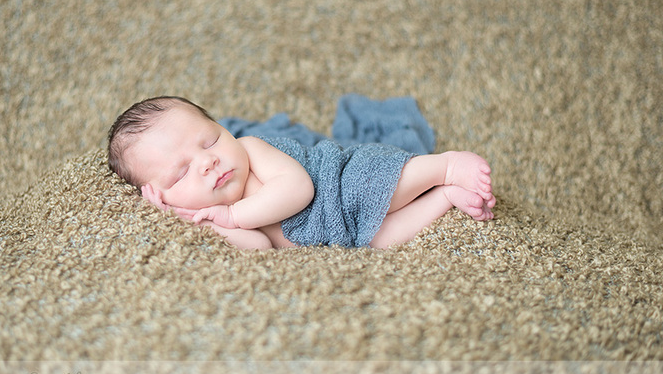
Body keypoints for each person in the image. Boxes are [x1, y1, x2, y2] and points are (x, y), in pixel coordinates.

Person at [107, 96, 496, 250]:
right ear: (162, 196)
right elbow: (258, 248)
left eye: (210, 141)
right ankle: (444, 197)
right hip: (346, 237)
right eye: (180, 175)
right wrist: (190, 224)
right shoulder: (208, 221)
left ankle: (444, 165)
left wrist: (233, 214)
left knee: (371, 184)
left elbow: (298, 190)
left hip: (338, 185)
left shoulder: (252, 149)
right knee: (381, 242)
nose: (207, 161)